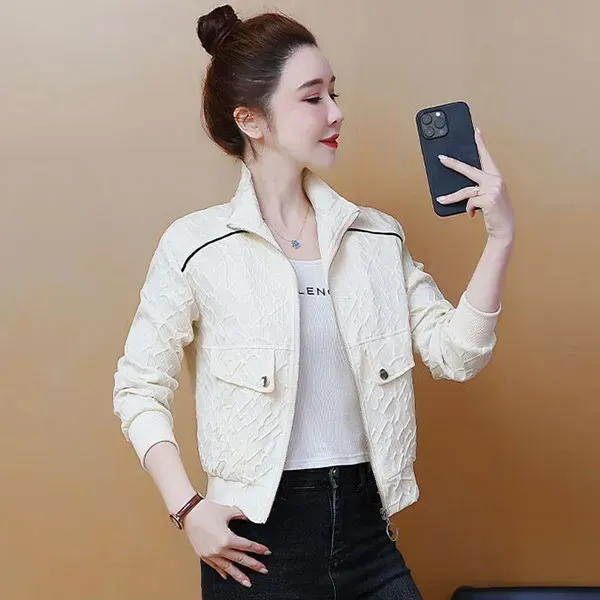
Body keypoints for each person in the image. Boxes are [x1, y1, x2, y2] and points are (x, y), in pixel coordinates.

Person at [112, 5, 515, 599]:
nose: (336, 112)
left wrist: (499, 239)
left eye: (334, 93)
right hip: (254, 546)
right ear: (251, 120)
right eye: (312, 97)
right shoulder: (196, 246)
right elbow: (138, 387)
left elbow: (457, 356)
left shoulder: (377, 238)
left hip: (367, 535)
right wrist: (187, 508)